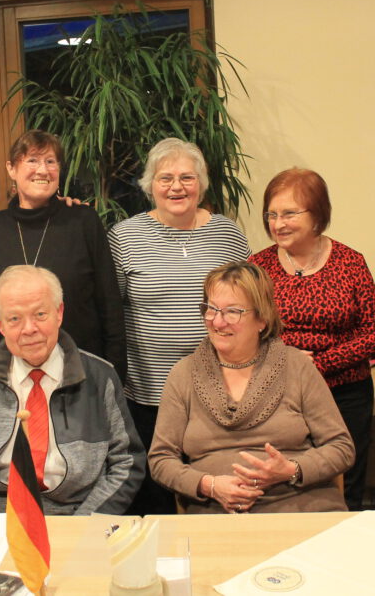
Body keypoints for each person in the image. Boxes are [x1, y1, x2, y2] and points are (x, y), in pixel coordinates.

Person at [108, 137, 250, 514]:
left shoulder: (228, 235)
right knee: (158, 497)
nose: (177, 187)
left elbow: (251, 306)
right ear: (149, 185)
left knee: (216, 490)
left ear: (201, 183)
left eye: (187, 177)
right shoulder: (124, 237)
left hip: (220, 392)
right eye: (165, 178)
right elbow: (112, 313)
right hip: (148, 395)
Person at [149, 261, 354, 513]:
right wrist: (209, 485)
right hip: (216, 511)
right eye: (211, 309)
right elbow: (160, 460)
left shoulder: (296, 366)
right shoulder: (183, 374)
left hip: (300, 505)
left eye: (232, 312)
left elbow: (341, 447)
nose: (217, 322)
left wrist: (291, 469)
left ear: (262, 319)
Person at [0, 265, 145, 514]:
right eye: (14, 319)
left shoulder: (100, 377)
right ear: (0, 324)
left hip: (77, 514)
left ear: (59, 313)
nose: (29, 329)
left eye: (40, 314)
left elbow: (126, 463)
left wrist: (83, 524)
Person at [249, 168, 375, 511]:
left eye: (289, 213)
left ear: (317, 214)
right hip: (281, 394)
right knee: (289, 487)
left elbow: (373, 334)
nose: (278, 224)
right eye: (272, 215)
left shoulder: (350, 262)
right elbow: (248, 331)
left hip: (345, 392)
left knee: (347, 482)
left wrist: (320, 363)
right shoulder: (258, 267)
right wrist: (290, 361)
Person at [0, 130, 126, 378]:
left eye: (50, 161)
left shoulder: (83, 222)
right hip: (7, 374)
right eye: (32, 160)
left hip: (80, 373)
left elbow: (109, 304)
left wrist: (113, 373)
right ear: (11, 169)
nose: (43, 170)